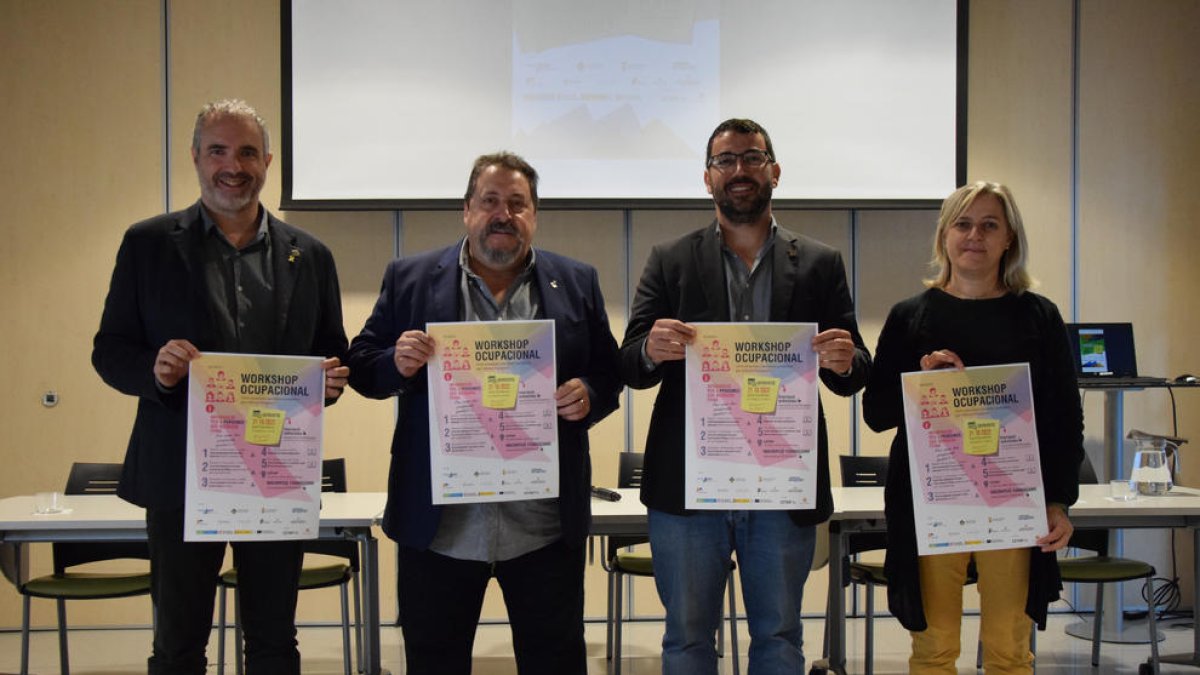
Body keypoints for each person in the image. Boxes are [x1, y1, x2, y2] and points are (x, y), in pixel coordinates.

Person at [91, 98, 350, 675]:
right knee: (179, 645)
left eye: (248, 152)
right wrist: (154, 372)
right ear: (195, 158)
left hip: (276, 472)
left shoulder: (312, 255)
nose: (233, 165)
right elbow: (108, 351)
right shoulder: (148, 244)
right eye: (218, 151)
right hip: (180, 476)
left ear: (269, 162)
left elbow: (334, 352)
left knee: (275, 642)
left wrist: (330, 382)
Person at [345, 152, 621, 675]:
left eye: (517, 204)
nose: (503, 214)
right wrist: (396, 363)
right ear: (466, 210)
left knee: (555, 663)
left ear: (534, 215)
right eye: (490, 201)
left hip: (541, 526)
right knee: (435, 664)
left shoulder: (576, 280)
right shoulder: (409, 278)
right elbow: (361, 366)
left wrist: (588, 392)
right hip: (441, 528)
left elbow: (609, 374)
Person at [619, 118, 871, 675]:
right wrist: (651, 350)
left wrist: (845, 359)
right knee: (686, 639)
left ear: (774, 171)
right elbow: (629, 363)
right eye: (725, 160)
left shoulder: (822, 262)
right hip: (689, 487)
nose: (739, 170)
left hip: (783, 482)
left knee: (779, 637)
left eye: (752, 158)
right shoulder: (670, 258)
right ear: (706, 177)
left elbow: (854, 371)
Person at [862, 181, 1083, 674]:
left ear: (1009, 239)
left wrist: (1058, 502)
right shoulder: (909, 316)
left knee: (1009, 650)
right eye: (962, 224)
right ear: (944, 236)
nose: (974, 235)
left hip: (1014, 501)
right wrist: (921, 383)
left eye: (989, 225)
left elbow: (1064, 417)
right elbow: (876, 413)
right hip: (931, 501)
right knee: (934, 648)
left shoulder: (1039, 316)